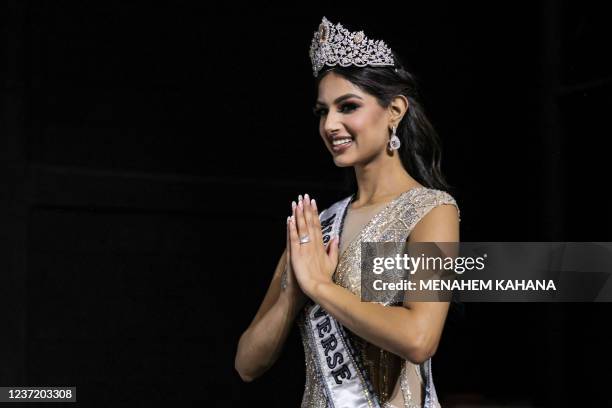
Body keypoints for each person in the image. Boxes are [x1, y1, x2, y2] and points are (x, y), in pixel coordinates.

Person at [235, 16, 460, 408]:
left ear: (395, 111)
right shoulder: (319, 224)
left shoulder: (431, 211)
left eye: (348, 106)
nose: (330, 124)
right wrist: (295, 292)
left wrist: (322, 288)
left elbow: (420, 339)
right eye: (323, 111)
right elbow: (247, 363)